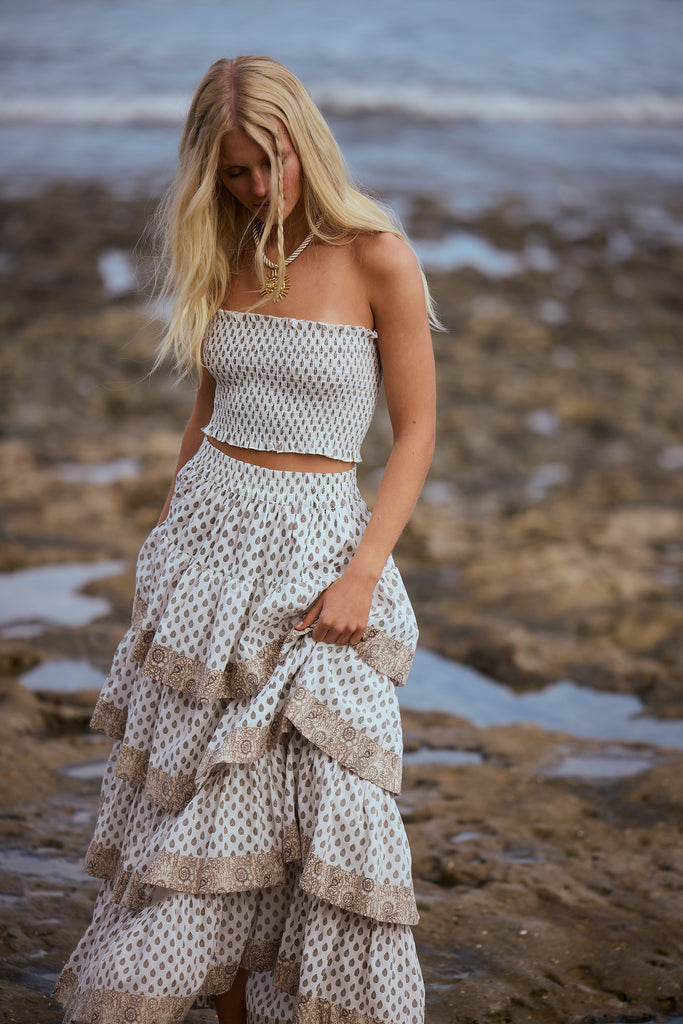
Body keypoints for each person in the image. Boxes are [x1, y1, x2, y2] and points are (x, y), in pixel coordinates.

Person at [53, 55, 436, 1024]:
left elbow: (418, 431)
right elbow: (207, 410)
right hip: (203, 548)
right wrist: (164, 544)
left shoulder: (374, 252)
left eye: (270, 162)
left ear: (305, 145)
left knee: (335, 803)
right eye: (232, 171)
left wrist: (362, 572)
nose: (255, 187)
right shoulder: (219, 251)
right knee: (194, 801)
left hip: (317, 554)